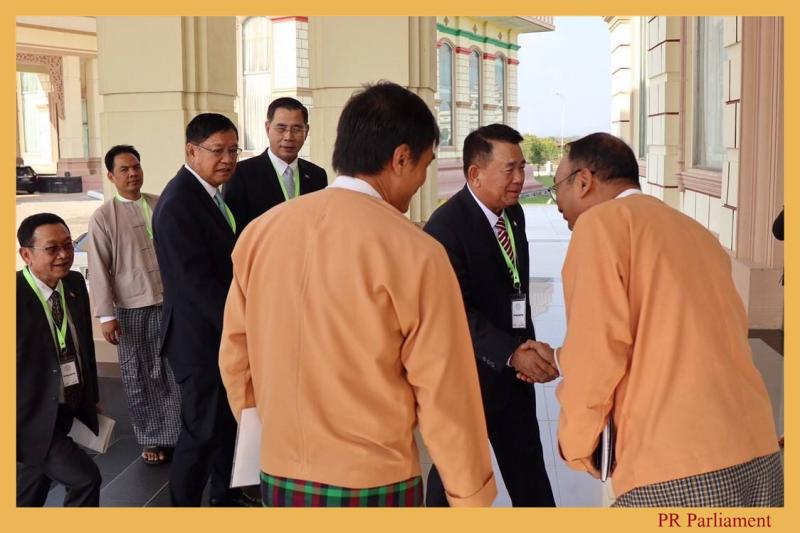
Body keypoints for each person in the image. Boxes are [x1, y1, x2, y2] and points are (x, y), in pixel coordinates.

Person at [219, 81, 496, 507]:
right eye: (425, 165)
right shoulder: (416, 252)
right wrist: (471, 494)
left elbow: (236, 359)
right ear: (400, 158)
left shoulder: (260, 234)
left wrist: (270, 435)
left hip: (279, 472)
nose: (422, 181)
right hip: (374, 480)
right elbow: (446, 393)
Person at [549, 132, 782, 506]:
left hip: (673, 467)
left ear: (583, 181)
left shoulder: (600, 225)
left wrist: (576, 444)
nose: (557, 202)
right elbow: (681, 331)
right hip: (759, 452)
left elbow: (597, 353)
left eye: (557, 187)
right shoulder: (697, 232)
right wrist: (560, 358)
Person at [422, 124, 557, 507]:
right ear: (475, 173)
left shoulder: (512, 214)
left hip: (514, 376)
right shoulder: (445, 228)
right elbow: (455, 312)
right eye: (509, 169)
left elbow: (516, 289)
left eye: (522, 167)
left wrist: (527, 349)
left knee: (529, 475)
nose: (520, 178)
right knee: (453, 480)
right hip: (468, 378)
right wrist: (511, 353)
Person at [152, 113, 248, 506]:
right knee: (200, 431)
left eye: (233, 150)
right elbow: (196, 284)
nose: (228, 159)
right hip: (198, 339)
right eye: (218, 150)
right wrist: (242, 325)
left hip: (216, 334)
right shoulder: (179, 202)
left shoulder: (209, 193)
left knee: (225, 424)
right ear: (192, 151)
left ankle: (226, 498)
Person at [87, 145, 181, 466]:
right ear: (111, 176)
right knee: (138, 373)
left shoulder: (160, 203)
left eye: (136, 167)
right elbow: (98, 268)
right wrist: (107, 315)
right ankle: (151, 437)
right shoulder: (103, 217)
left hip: (170, 303)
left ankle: (178, 433)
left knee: (174, 368)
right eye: (124, 169)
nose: (132, 174)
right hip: (131, 308)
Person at [17, 213, 102, 506]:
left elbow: (84, 345)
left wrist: (92, 396)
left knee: (32, 485)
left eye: (68, 245)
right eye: (52, 248)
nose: (64, 255)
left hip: (67, 403)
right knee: (85, 479)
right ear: (26, 254)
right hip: (30, 415)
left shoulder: (74, 283)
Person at [223, 97, 327, 233]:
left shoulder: (317, 175)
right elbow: (234, 232)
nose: (288, 137)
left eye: (296, 129)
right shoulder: (240, 174)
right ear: (267, 128)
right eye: (281, 128)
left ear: (306, 131)